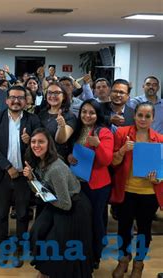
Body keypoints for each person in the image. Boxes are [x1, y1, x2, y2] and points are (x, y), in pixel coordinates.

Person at [23, 128, 94, 278]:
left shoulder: (56, 168)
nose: (36, 145)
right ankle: (45, 271)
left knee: (55, 244)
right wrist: (31, 178)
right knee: (38, 231)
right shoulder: (40, 161)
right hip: (57, 203)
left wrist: (43, 194)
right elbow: (40, 188)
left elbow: (65, 204)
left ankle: (49, 272)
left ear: (49, 144)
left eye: (41, 142)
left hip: (73, 208)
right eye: (33, 142)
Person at [0, 85, 42, 267]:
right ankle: (4, 247)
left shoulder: (33, 120)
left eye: (20, 97)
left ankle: (19, 249)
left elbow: (40, 149)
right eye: (12, 97)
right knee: (1, 214)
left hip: (23, 177)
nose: (16, 101)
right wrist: (7, 167)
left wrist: (29, 144)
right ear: (6, 100)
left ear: (26, 101)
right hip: (2, 176)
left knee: (22, 215)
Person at [110, 102, 163, 278]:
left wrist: (157, 179)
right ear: (135, 116)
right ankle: (123, 260)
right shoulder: (122, 133)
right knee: (123, 228)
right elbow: (113, 163)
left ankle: (138, 264)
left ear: (153, 118)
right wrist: (123, 150)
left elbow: (161, 171)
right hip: (126, 191)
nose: (143, 119)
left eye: (147, 116)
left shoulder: (159, 139)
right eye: (140, 115)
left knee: (144, 230)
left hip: (149, 194)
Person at [67, 99, 114, 269]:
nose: (87, 115)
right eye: (84, 112)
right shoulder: (77, 129)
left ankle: (96, 254)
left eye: (91, 112)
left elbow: (106, 160)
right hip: (78, 183)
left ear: (97, 114)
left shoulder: (104, 132)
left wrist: (99, 145)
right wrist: (69, 158)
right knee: (81, 220)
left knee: (96, 220)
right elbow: (74, 153)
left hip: (97, 186)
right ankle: (82, 253)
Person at [38, 82, 77, 159]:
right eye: (49, 92)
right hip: (40, 157)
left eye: (56, 93)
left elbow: (61, 140)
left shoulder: (69, 116)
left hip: (57, 159)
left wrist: (61, 126)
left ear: (64, 96)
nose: (52, 96)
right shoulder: (42, 113)